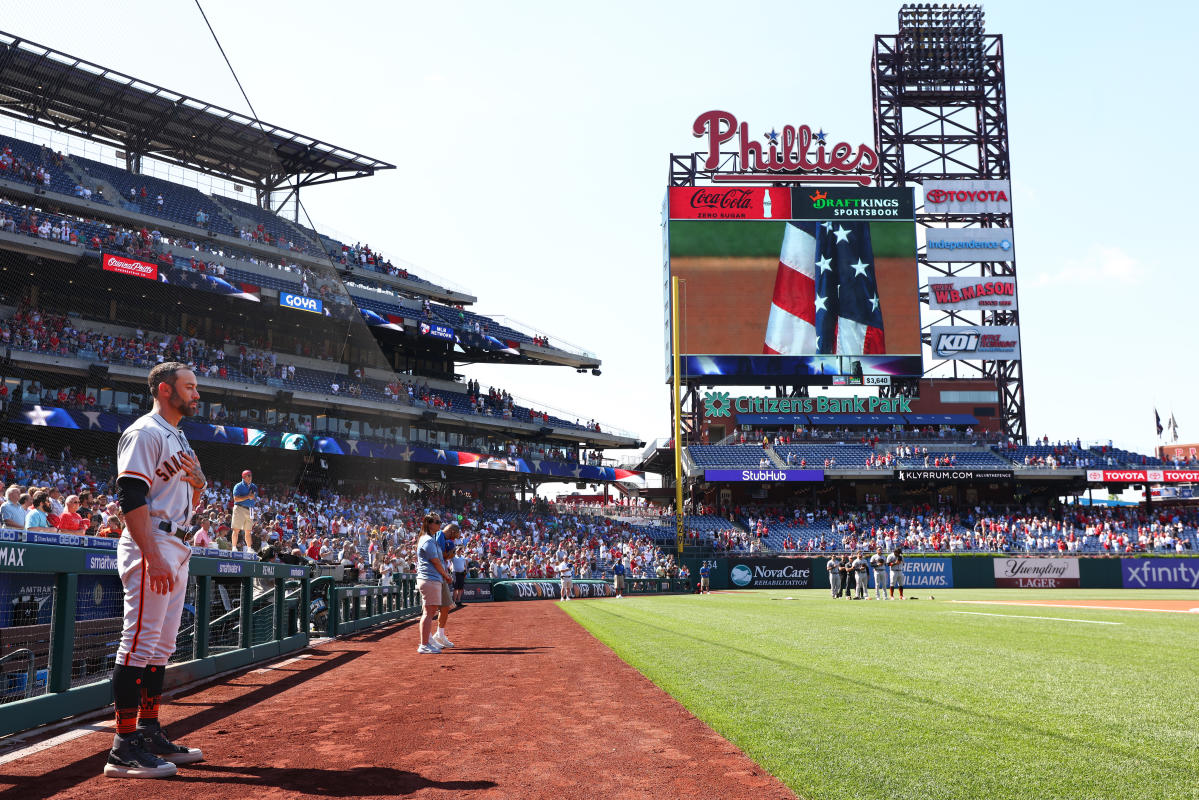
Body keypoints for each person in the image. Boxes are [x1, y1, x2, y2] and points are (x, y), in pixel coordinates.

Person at [105, 362, 205, 778]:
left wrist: (199, 484)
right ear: (166, 390)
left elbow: (191, 500)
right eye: (190, 387)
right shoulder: (145, 432)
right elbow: (130, 494)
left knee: (160, 648)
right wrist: (153, 555)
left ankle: (148, 730)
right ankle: (123, 746)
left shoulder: (179, 436)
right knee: (138, 644)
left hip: (177, 541)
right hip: (154, 543)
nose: (197, 394)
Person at [415, 513, 452, 654]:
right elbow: (435, 561)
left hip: (430, 578)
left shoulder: (430, 539)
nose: (439, 524)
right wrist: (445, 575)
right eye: (437, 522)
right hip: (430, 578)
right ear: (429, 523)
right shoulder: (428, 540)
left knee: (428, 612)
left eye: (440, 521)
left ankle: (427, 641)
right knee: (429, 612)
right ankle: (424, 644)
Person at [431, 522, 459, 649]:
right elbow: (439, 555)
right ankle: (429, 638)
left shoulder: (443, 537)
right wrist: (450, 553)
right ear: (452, 531)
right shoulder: (440, 535)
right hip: (436, 575)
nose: (455, 538)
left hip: (441, 574)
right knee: (431, 609)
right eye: (455, 535)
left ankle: (439, 634)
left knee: (446, 606)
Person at [231, 469, 258, 552]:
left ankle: (249, 548)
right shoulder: (238, 486)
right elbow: (235, 498)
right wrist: (247, 497)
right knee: (236, 529)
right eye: (248, 476)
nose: (250, 477)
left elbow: (254, 497)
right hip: (239, 508)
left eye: (251, 475)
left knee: (248, 531)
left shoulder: (254, 486)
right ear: (244, 477)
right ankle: (234, 547)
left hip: (250, 509)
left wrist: (252, 497)